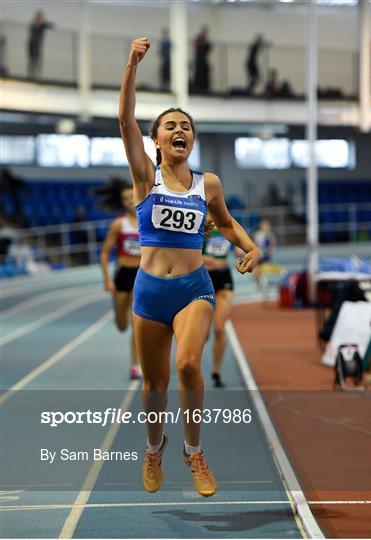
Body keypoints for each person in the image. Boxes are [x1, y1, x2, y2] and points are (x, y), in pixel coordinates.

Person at [119, 37, 260, 498]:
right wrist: (131, 66)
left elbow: (225, 222)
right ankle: (154, 446)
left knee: (186, 366)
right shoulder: (146, 177)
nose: (179, 131)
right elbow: (124, 120)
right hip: (148, 293)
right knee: (155, 385)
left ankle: (193, 451)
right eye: (170, 126)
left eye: (186, 127)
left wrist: (248, 245)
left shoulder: (208, 184)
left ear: (191, 139)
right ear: (156, 140)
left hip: (194, 290)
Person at [97, 177, 142, 380]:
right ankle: (119, 316)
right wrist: (107, 279)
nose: (130, 200)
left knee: (137, 321)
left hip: (141, 275)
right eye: (125, 198)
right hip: (123, 274)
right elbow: (105, 254)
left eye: (132, 195)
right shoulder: (119, 224)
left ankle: (136, 365)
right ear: (122, 202)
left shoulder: (147, 221)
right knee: (122, 325)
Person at [202, 224, 235, 388]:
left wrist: (244, 254)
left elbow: (241, 248)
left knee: (220, 328)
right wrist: (205, 260)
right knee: (202, 333)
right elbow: (185, 254)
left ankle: (216, 372)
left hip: (224, 279)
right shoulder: (200, 223)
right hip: (203, 279)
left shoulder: (228, 225)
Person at [27, 10, 55, 80]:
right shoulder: (33, 25)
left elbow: (52, 26)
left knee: (37, 60)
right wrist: (36, 23)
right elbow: (30, 31)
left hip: (37, 46)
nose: (38, 19)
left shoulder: (42, 25)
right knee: (31, 60)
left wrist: (42, 23)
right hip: (31, 45)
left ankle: (36, 76)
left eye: (40, 18)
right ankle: (30, 76)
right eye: (38, 17)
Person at [253, 219, 277, 288]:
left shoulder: (270, 235)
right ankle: (260, 282)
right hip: (258, 254)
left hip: (265, 255)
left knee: (263, 270)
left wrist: (269, 250)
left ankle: (263, 283)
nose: (265, 227)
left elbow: (272, 246)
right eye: (264, 225)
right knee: (256, 272)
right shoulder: (257, 234)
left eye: (266, 226)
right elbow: (254, 244)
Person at [193, 26, 211, 93]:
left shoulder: (205, 40)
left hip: (203, 60)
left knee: (204, 74)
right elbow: (199, 47)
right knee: (200, 74)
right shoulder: (199, 39)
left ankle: (204, 88)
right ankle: (199, 88)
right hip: (200, 60)